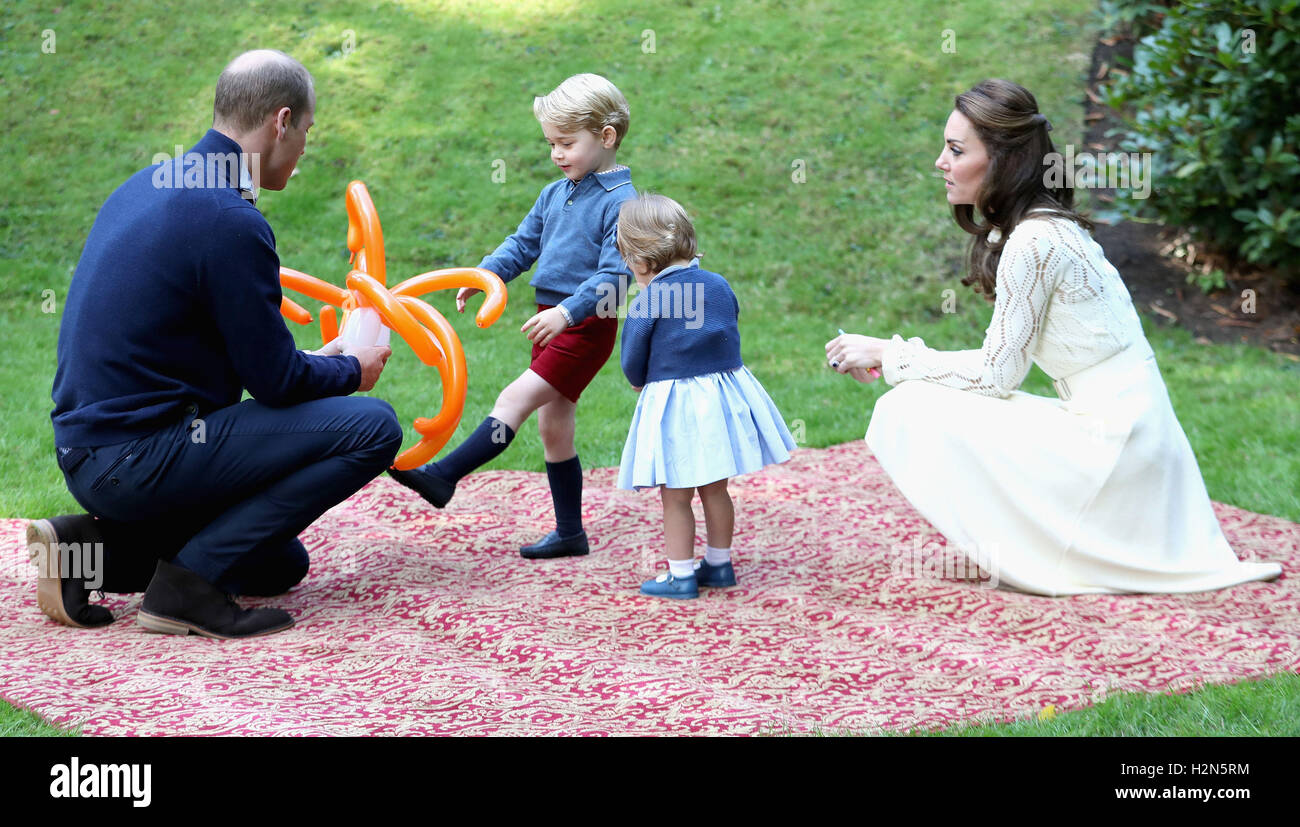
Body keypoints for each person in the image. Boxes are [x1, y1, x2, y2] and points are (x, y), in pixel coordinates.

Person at [825, 78, 1282, 596]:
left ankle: (1043, 554)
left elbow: (997, 375)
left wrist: (889, 354)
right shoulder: (1045, 228)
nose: (940, 162)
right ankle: (1045, 544)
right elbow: (999, 366)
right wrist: (896, 359)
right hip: (1132, 437)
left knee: (908, 408)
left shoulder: (1035, 240)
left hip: (1119, 450)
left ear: (1002, 160)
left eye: (955, 150)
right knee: (921, 398)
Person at [37, 49, 401, 639]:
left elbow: (237, 354)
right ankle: (187, 589)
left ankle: (85, 550)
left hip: (91, 449)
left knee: (280, 562)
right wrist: (350, 372)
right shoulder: (229, 219)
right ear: (280, 122)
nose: (306, 147)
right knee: (374, 428)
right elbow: (277, 385)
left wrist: (318, 361)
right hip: (139, 457)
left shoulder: (151, 183)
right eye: (307, 130)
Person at [388, 73, 637, 559]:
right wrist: (483, 276)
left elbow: (615, 277)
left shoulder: (623, 204)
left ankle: (444, 476)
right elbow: (523, 245)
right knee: (554, 429)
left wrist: (568, 312)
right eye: (551, 143)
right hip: (551, 320)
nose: (557, 154)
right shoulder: (555, 192)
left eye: (567, 143)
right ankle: (570, 533)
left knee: (514, 399)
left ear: (606, 138)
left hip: (584, 327)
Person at [616, 194, 796, 598]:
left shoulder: (652, 296)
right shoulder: (718, 284)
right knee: (715, 486)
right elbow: (728, 323)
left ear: (642, 260)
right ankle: (718, 564)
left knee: (675, 492)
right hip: (719, 395)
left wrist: (637, 378)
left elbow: (632, 351)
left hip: (674, 403)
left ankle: (680, 575)